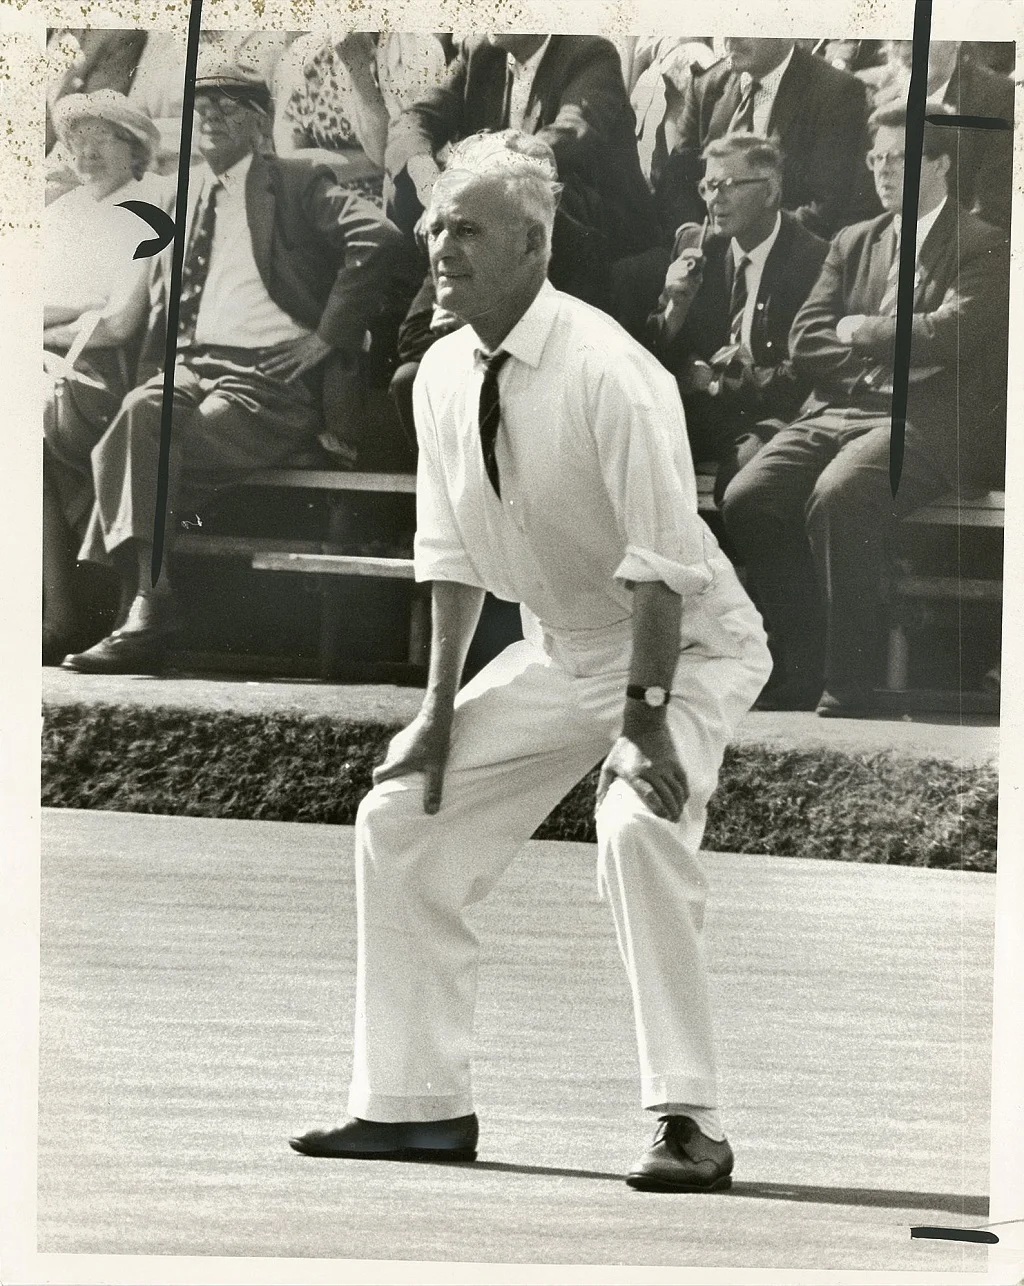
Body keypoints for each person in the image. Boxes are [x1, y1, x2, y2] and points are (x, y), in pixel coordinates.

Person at [288, 134, 773, 1190]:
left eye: (466, 227)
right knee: (398, 818)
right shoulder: (443, 370)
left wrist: (642, 728)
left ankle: (688, 1119)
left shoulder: (611, 371)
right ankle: (414, 1106)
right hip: (561, 649)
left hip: (683, 644)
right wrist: (435, 712)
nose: (439, 243)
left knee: (637, 824)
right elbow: (452, 551)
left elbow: (659, 570)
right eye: (434, 223)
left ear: (532, 242)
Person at [57, 49, 418, 675]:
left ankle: (142, 608)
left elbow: (379, 238)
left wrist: (328, 336)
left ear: (261, 120)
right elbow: (169, 300)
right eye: (201, 107)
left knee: (151, 447)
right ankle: (149, 603)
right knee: (140, 416)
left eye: (230, 107)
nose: (212, 118)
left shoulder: (299, 178)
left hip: (271, 379)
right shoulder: (188, 192)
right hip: (195, 368)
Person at [719, 103, 1009, 715]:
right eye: (875, 158)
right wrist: (880, 354)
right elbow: (807, 339)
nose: (881, 170)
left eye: (898, 158)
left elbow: (950, 336)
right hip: (838, 410)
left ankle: (849, 681)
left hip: (928, 423)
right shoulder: (855, 240)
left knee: (841, 495)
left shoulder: (986, 246)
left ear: (940, 164)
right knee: (749, 497)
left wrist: (860, 329)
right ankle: (794, 661)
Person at [42, 90, 169, 663]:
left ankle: (61, 615)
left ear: (134, 147)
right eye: (75, 139)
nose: (85, 151)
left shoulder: (151, 209)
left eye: (102, 137)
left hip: (104, 376)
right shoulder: (59, 214)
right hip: (50, 363)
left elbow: (118, 324)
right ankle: (56, 611)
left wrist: (46, 324)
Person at [646, 132, 827, 502]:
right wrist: (675, 308)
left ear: (771, 192)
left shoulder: (814, 259)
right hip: (703, 412)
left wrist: (714, 383)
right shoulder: (695, 246)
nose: (715, 199)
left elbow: (803, 371)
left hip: (773, 415)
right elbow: (652, 356)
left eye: (727, 185)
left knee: (740, 486)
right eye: (708, 186)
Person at [384, 34, 660, 255]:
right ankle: (420, 306)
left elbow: (571, 132)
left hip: (593, 224)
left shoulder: (591, 54)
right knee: (403, 182)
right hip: (497, 209)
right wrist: (427, 181)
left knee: (530, 198)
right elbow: (414, 120)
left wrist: (461, 191)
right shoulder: (480, 51)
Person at [657, 37, 878, 238]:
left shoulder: (835, 92)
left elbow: (826, 204)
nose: (731, 37)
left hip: (787, 253)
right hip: (706, 248)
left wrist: (748, 246)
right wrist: (691, 236)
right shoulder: (707, 84)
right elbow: (678, 180)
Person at [871, 40, 1013, 231]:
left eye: (917, 39)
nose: (905, 51)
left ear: (954, 40)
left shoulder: (999, 98)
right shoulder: (883, 102)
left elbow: (994, 209)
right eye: (897, 42)